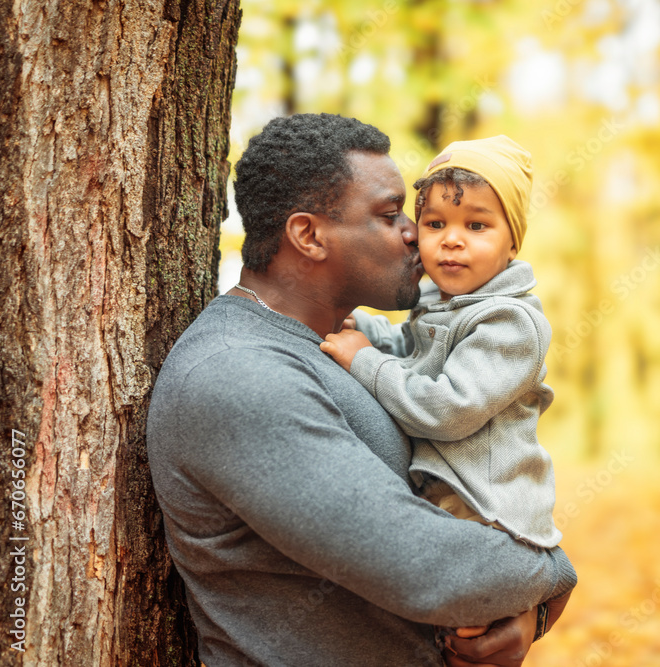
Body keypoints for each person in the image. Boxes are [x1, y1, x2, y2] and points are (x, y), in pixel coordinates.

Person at [146, 114, 575, 667]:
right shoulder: (238, 374)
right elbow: (423, 568)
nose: (414, 234)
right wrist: (552, 573)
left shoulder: (338, 347)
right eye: (390, 214)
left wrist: (524, 612)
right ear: (308, 236)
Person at [320, 136, 559, 557]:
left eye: (476, 225)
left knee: (458, 608)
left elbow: (447, 409)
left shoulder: (510, 322)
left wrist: (364, 361)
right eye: (435, 224)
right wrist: (370, 332)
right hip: (445, 498)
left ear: (513, 242)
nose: (451, 239)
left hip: (487, 511)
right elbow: (415, 353)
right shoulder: (438, 303)